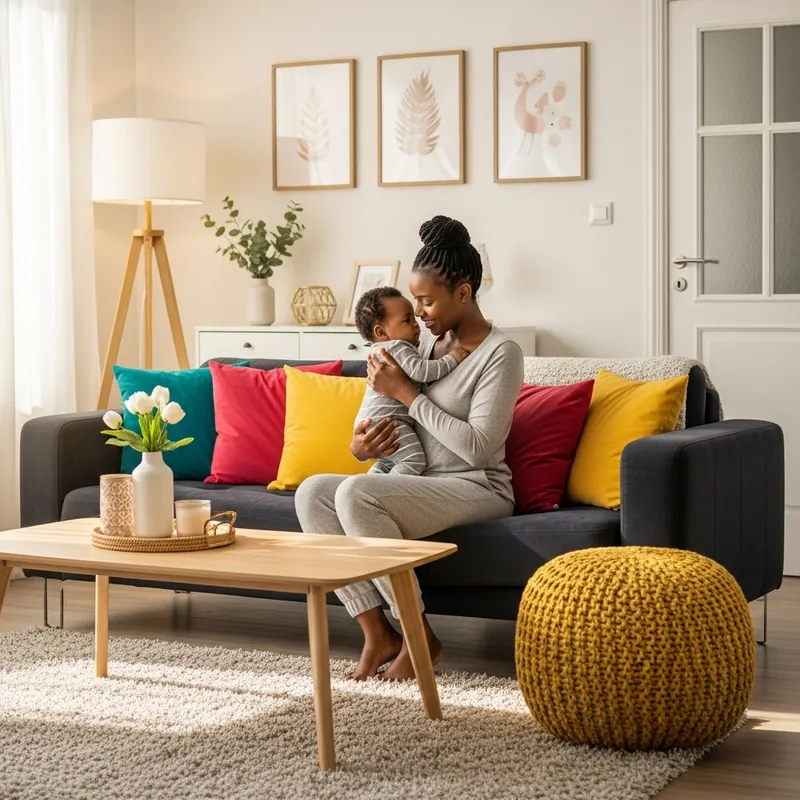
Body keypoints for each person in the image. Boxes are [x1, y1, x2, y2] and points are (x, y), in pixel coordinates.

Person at [295, 215, 524, 682]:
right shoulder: (425, 346)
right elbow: (389, 418)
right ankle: (377, 632)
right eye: (414, 302)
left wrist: (408, 397)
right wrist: (362, 446)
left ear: (463, 293)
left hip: (476, 487)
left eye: (427, 301)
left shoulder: (501, 353)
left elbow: (478, 450)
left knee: (357, 495)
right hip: (417, 480)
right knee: (314, 491)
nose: (419, 313)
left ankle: (420, 638)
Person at [352, 285, 470, 476]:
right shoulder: (398, 347)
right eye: (407, 320)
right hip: (388, 422)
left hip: (372, 422)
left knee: (387, 463)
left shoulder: (385, 350)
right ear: (381, 332)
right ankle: (383, 493)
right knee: (413, 460)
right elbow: (422, 371)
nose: (416, 323)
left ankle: (372, 482)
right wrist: (453, 358)